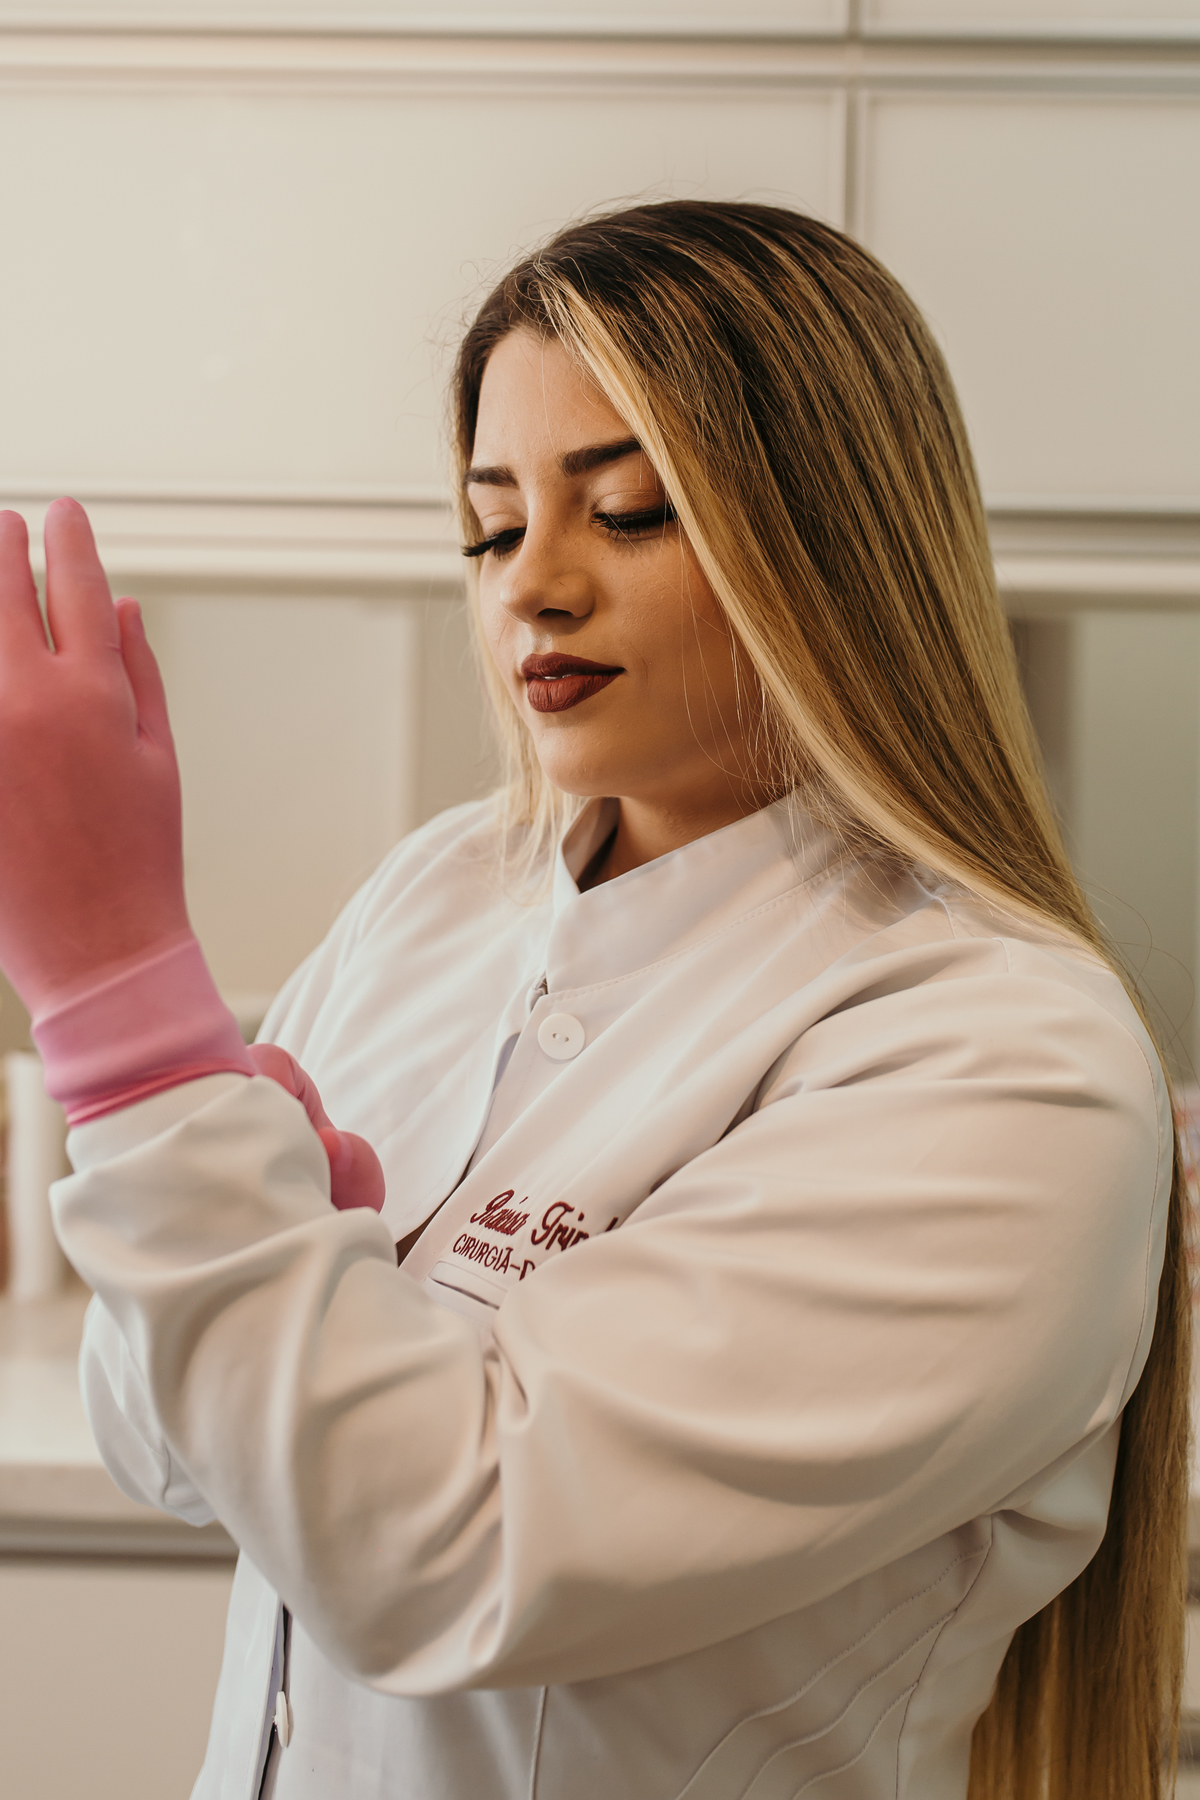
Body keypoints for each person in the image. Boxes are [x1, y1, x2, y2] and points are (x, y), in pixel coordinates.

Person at [0, 201, 1187, 1800]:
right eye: (494, 529)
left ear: (836, 543)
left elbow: (445, 1554)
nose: (533, 589)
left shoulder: (1002, 1063)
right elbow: (169, 1451)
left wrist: (122, 1012)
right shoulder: (440, 894)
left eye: (627, 512)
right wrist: (270, 1209)